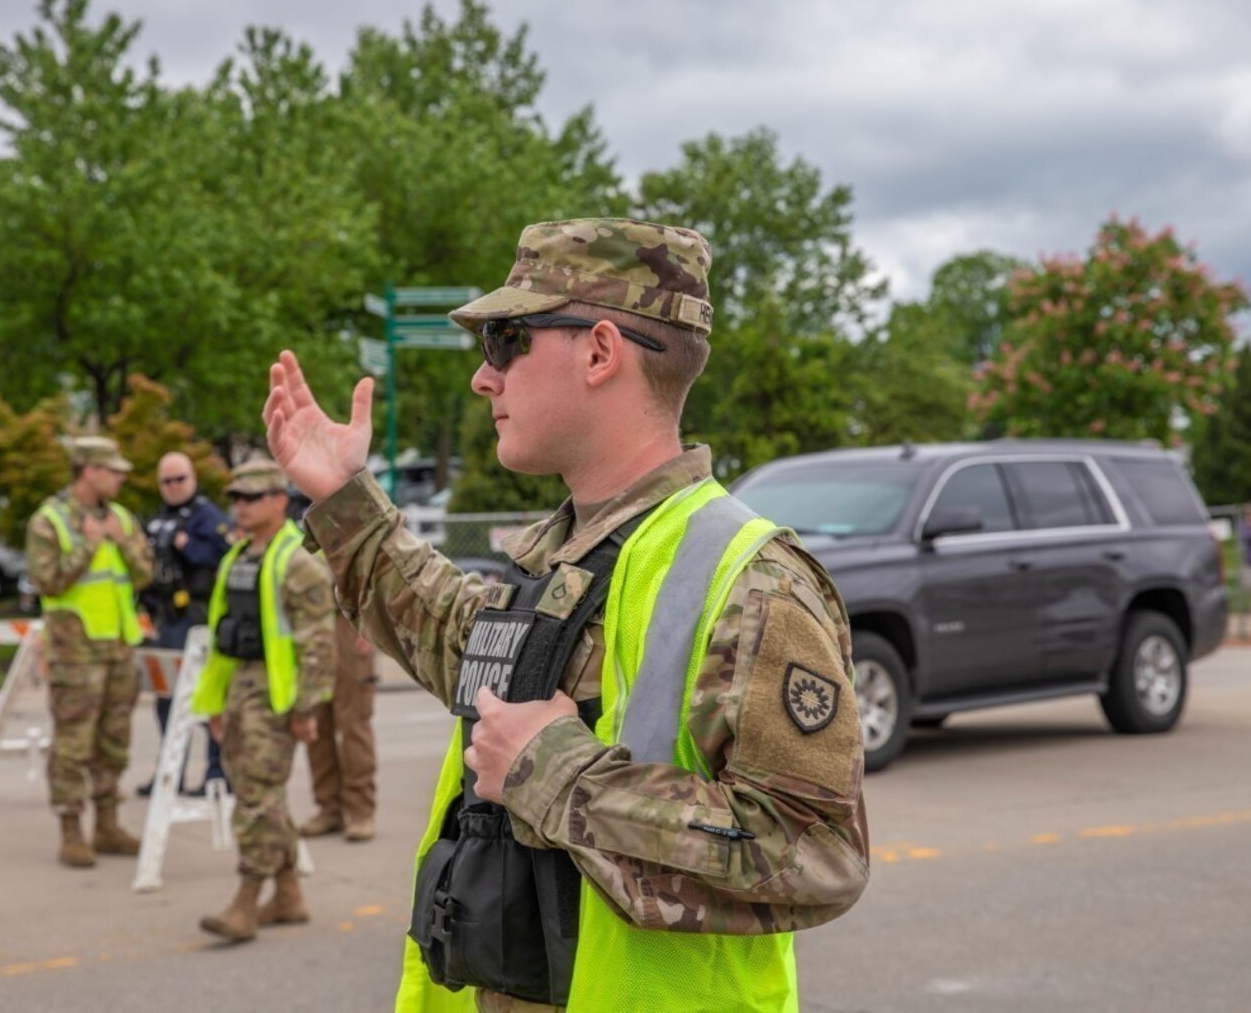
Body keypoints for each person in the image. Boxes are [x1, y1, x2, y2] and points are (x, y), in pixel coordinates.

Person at [264, 219, 871, 1011]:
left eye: (506, 340)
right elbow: (452, 634)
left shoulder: (751, 580)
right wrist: (344, 502)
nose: (486, 379)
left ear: (598, 352)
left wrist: (558, 775)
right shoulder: (567, 558)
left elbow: (818, 853)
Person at [191, 460, 336, 944]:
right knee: (261, 794)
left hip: (277, 697)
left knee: (257, 797)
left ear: (280, 500)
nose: (241, 506)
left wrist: (307, 708)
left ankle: (247, 900)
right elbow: (223, 635)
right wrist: (216, 701)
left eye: (251, 497)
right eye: (236, 498)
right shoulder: (238, 558)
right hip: (240, 690)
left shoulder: (297, 560)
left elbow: (318, 641)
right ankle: (290, 893)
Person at [24, 436, 152, 868]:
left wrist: (124, 542)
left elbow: (145, 574)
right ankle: (71, 830)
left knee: (114, 740)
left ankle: (108, 824)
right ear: (89, 472)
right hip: (75, 653)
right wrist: (87, 546)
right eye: (113, 470)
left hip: (118, 647)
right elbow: (47, 581)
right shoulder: (50, 521)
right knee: (73, 743)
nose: (120, 478)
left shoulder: (120, 518)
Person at [137, 451, 231, 796]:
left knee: (204, 700)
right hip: (166, 620)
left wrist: (186, 544)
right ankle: (170, 774)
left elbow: (222, 556)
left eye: (180, 479)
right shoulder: (158, 519)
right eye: (167, 481)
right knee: (166, 699)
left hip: (197, 621)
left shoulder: (206, 517)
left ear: (192, 479)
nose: (174, 487)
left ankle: (217, 775)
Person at [298, 615, 379, 842]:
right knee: (316, 727)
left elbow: (379, 583)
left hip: (350, 622)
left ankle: (361, 811)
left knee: (354, 728)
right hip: (312, 622)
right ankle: (329, 809)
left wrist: (372, 626)